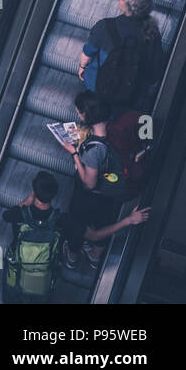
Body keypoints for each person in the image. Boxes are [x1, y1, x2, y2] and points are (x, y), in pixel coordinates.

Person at [57, 91, 127, 270]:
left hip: (88, 197)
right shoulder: (115, 130)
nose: (78, 115)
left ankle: (72, 257)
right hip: (108, 191)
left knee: (77, 226)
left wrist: (74, 154)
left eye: (79, 112)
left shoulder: (93, 151)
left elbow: (89, 183)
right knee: (103, 219)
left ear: (87, 114)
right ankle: (95, 255)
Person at [78, 0, 162, 110]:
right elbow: (154, 69)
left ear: (128, 8)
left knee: (93, 116)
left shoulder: (105, 26)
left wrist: (82, 67)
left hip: (97, 88)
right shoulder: (152, 33)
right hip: (130, 95)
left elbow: (87, 53)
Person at [1, 171, 70, 302]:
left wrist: (28, 200)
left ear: (34, 191)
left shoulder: (19, 214)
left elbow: (6, 215)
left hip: (17, 270)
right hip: (44, 276)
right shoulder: (61, 220)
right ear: (54, 194)